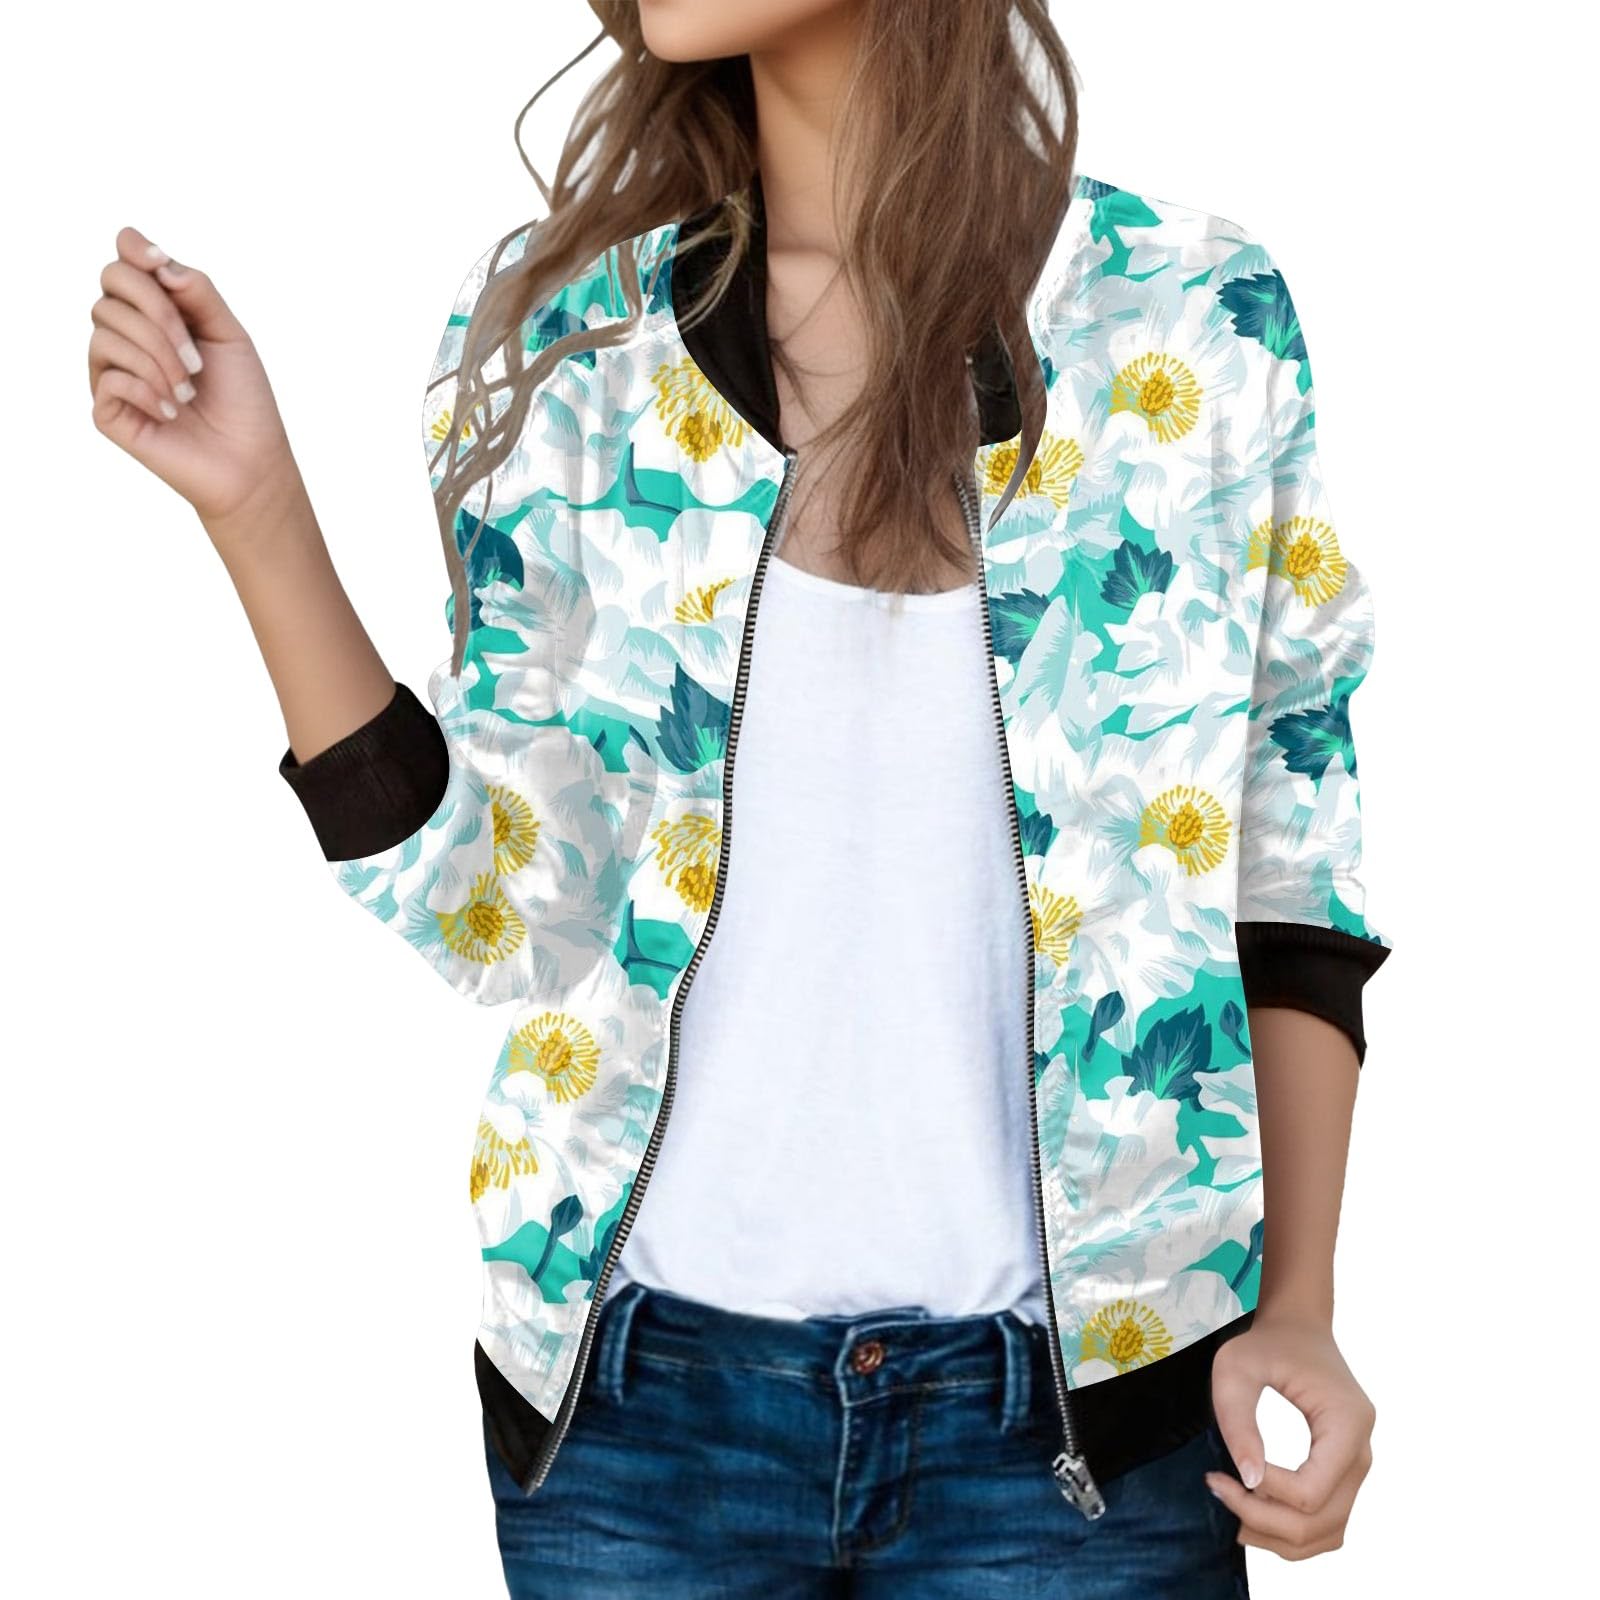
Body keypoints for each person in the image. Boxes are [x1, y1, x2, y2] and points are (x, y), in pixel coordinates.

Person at [88, 1, 1391, 1593]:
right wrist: (258, 511)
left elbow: (1287, 856)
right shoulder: (577, 342)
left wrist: (1299, 1305)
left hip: (1083, 1446)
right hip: (643, 1434)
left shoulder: (1190, 318)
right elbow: (500, 916)